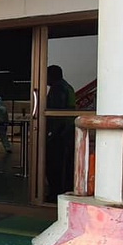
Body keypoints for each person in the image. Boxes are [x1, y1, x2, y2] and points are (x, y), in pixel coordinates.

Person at [45, 65, 76, 202]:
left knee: (54, 165)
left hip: (60, 133)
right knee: (66, 164)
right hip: (68, 131)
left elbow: (57, 113)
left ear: (52, 75)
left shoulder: (57, 88)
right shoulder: (68, 87)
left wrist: (51, 133)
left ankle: (54, 194)